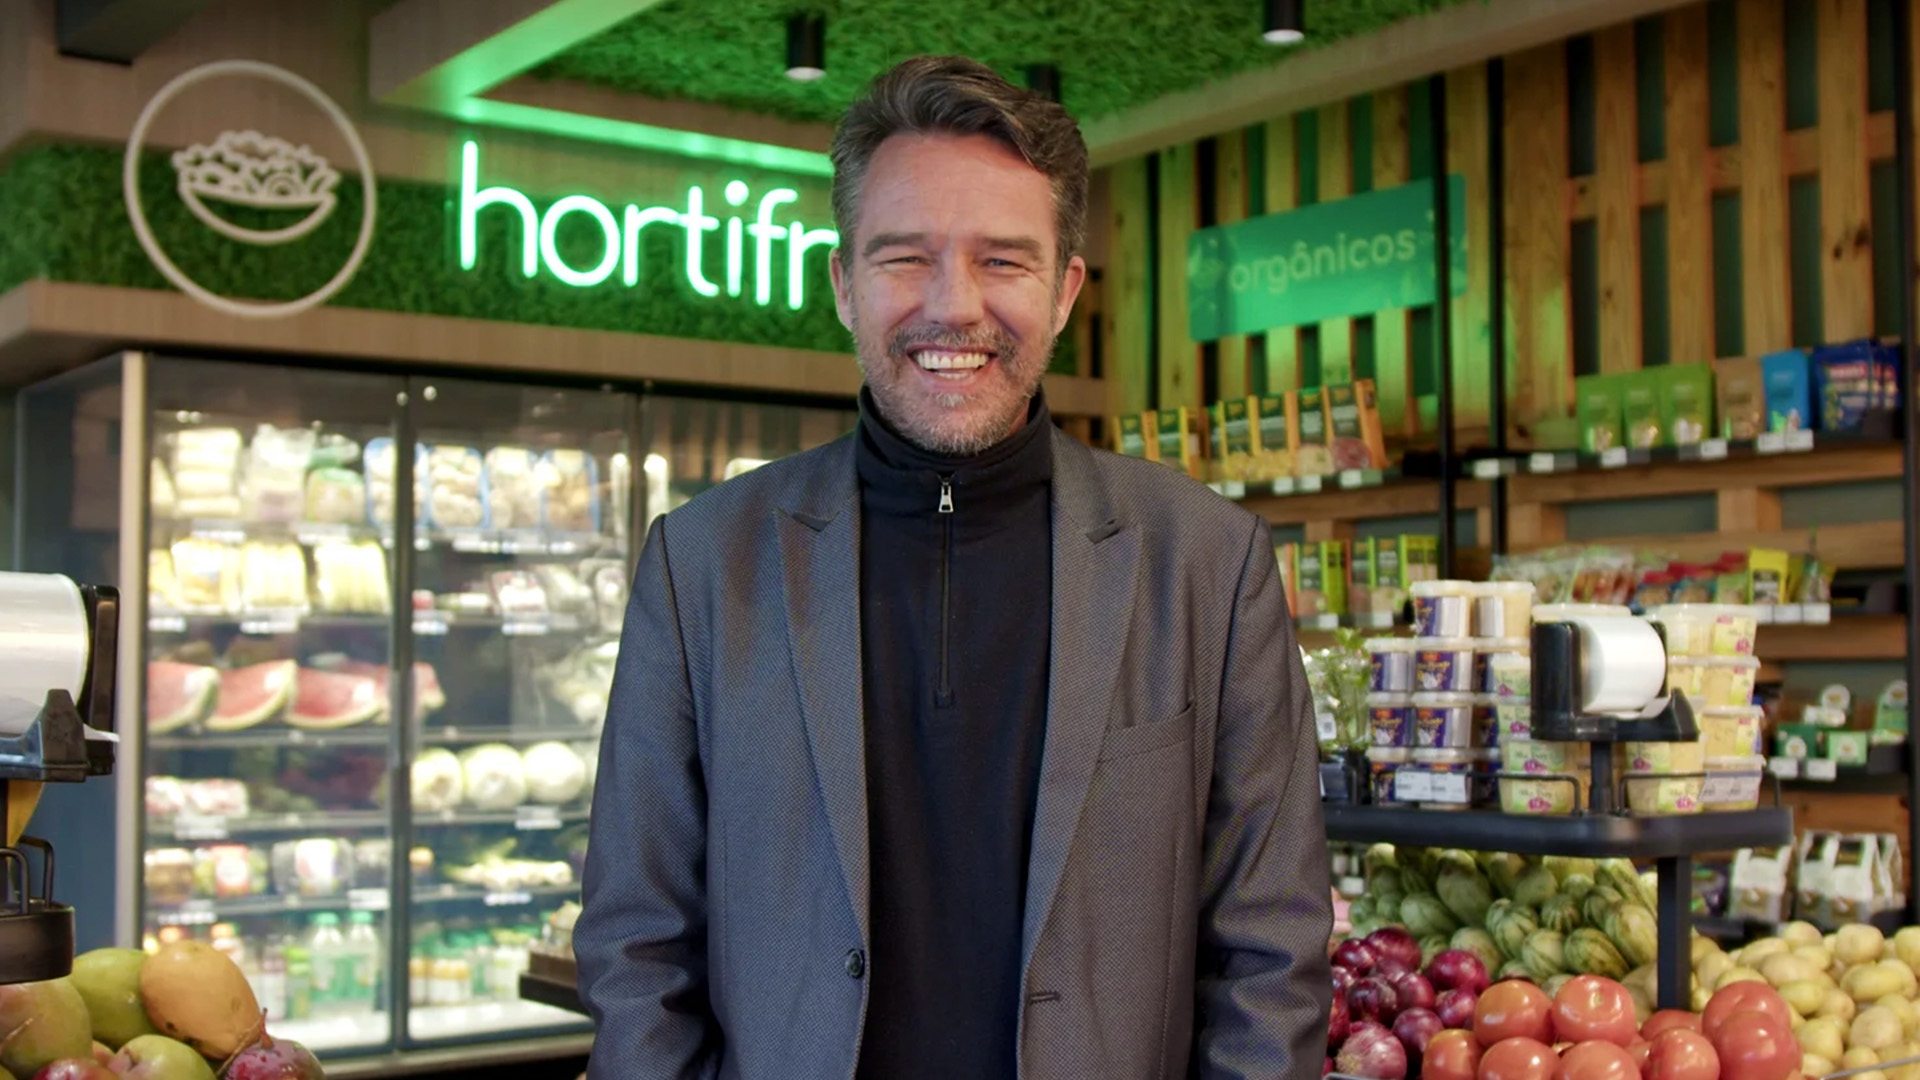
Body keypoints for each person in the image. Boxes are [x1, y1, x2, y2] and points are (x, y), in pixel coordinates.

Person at [574, 54, 1332, 1080]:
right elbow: (634, 945)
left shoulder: (1204, 561)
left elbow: (1270, 953)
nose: (954, 307)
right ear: (845, 285)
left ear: (1064, 290)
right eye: (904, 258)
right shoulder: (704, 565)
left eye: (1003, 261)